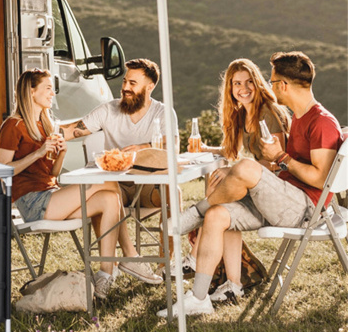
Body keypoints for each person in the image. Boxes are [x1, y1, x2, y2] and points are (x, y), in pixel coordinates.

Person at [157, 51, 343, 317]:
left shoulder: (321, 122)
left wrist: (280, 157)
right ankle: (202, 297)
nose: (269, 85)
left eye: (272, 80)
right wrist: (280, 161)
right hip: (284, 196)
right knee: (218, 214)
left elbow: (320, 179)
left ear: (284, 86)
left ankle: (193, 213)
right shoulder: (301, 117)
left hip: (304, 209)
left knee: (244, 167)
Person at [0, 68, 160, 300]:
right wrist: (38, 153)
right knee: (107, 181)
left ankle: (105, 274)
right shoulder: (13, 125)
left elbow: (52, 172)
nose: (53, 93)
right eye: (47, 88)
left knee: (110, 198)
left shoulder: (45, 125)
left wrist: (61, 153)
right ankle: (130, 257)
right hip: (33, 203)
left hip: (51, 194)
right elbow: (3, 171)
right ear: (31, 92)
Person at [173, 58, 290, 279]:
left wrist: (235, 173)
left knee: (221, 190)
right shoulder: (242, 114)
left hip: (277, 187)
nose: (243, 89)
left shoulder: (269, 112)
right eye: (237, 83)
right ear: (230, 87)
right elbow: (230, 151)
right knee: (218, 187)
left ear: (257, 83)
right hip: (258, 181)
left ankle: (195, 252)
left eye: (248, 82)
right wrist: (205, 148)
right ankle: (225, 276)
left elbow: (277, 161)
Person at [62, 58, 178, 279]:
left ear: (149, 87)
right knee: (104, 187)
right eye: (125, 81)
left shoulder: (162, 113)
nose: (125, 87)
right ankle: (112, 266)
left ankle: (166, 264)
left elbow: (171, 147)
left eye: (133, 83)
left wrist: (142, 148)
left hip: (146, 186)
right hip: (116, 186)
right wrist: (38, 127)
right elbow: (72, 131)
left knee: (174, 193)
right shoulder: (108, 110)